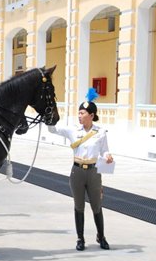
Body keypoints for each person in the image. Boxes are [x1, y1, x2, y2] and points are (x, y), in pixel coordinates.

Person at [47, 88, 114, 251]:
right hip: (77, 171)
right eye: (79, 112)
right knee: (79, 206)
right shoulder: (72, 130)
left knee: (96, 205)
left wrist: (108, 156)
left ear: (91, 116)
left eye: (83, 113)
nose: (80, 116)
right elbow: (53, 129)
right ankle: (80, 238)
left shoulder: (100, 132)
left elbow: (105, 150)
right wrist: (48, 118)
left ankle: (101, 236)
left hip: (93, 171)